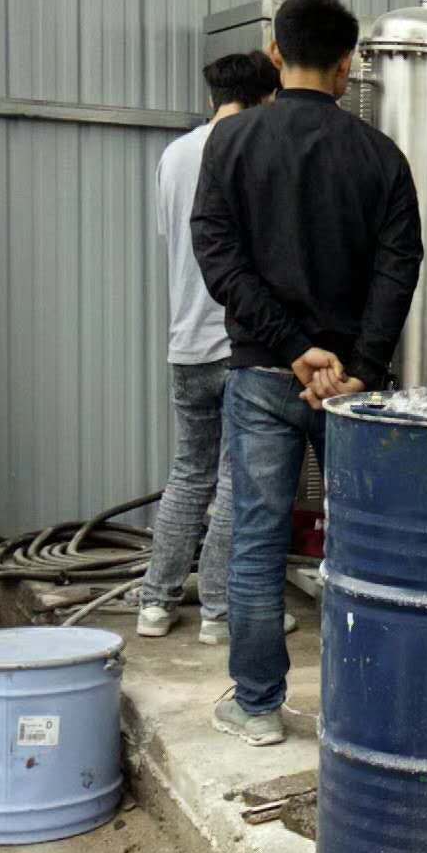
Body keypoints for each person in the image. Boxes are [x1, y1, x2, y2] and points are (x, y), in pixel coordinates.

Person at [193, 0, 423, 746]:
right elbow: (399, 267)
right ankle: (365, 708)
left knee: (257, 542)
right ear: (347, 65)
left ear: (274, 53)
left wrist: (291, 346)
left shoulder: (230, 143)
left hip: (265, 373)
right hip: (351, 390)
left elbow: (218, 257)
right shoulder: (381, 156)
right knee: (364, 543)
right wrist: (361, 367)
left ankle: (258, 706)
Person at [136, 52, 285, 645]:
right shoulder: (255, 151)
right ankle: (220, 614)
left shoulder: (174, 155)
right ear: (267, 99)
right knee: (234, 482)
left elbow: (175, 238)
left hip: (186, 343)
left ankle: (155, 603)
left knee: (188, 473)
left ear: (212, 98)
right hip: (239, 343)